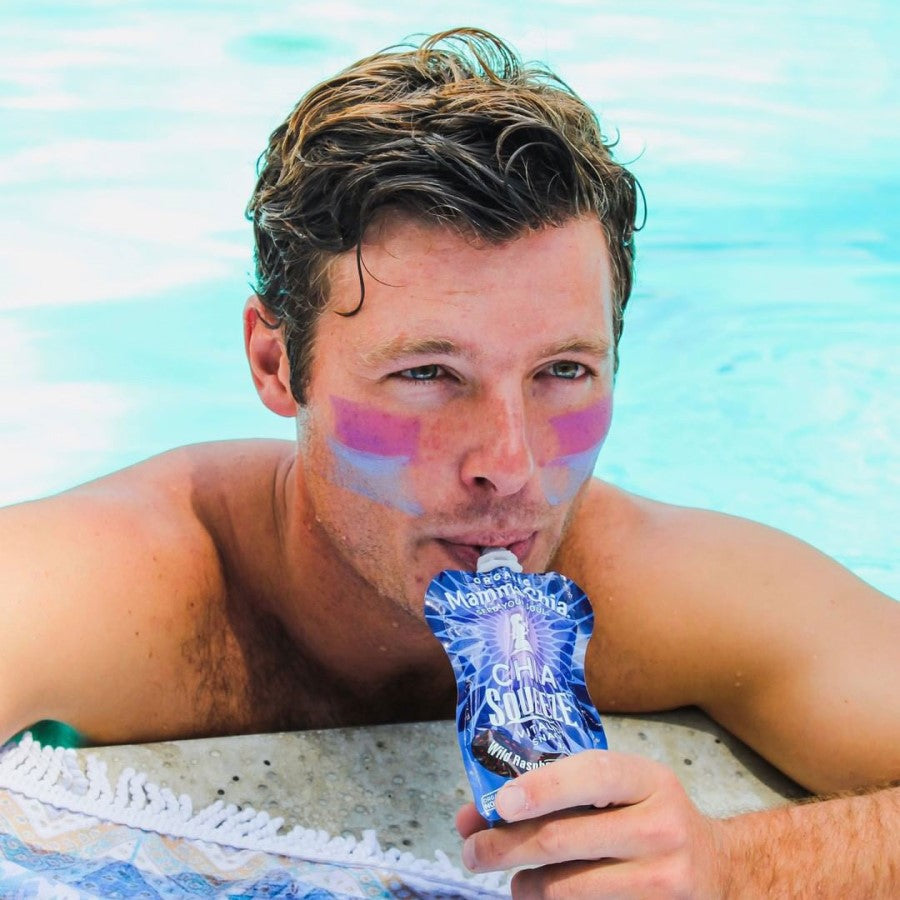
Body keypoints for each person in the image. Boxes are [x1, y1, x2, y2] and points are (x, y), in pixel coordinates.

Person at [1, 27, 897, 897]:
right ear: (276, 363)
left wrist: (738, 868)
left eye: (562, 371)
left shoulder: (658, 586)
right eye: (428, 374)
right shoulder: (107, 586)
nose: (510, 467)